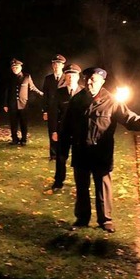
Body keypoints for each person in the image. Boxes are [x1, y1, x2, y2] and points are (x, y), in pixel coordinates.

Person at [59, 67, 140, 233]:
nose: (89, 83)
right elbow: (67, 127)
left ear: (102, 82)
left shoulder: (111, 101)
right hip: (81, 151)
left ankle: (105, 220)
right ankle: (82, 218)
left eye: (93, 80)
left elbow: (131, 120)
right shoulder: (77, 100)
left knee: (103, 187)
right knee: (82, 187)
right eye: (87, 79)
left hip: (101, 153)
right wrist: (63, 150)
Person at [51, 63, 83, 191]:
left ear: (78, 77)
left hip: (78, 132)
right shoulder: (59, 93)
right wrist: (54, 130)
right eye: (68, 76)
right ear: (65, 77)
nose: (70, 79)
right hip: (63, 131)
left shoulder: (83, 92)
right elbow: (54, 113)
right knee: (60, 158)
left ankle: (80, 183)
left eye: (73, 76)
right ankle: (58, 182)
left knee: (79, 159)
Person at [3, 58, 43, 146]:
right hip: (12, 104)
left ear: (20, 67)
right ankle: (15, 139)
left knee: (23, 123)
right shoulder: (10, 78)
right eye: (13, 68)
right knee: (13, 123)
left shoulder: (26, 77)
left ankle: (24, 139)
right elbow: (7, 91)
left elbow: (32, 87)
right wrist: (5, 104)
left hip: (23, 104)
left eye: (16, 67)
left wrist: (41, 93)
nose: (15, 69)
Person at [41, 54, 66, 161]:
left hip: (64, 110)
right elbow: (45, 95)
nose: (56, 66)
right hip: (52, 110)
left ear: (63, 65)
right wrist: (45, 111)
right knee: (52, 131)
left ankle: (62, 154)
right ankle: (53, 154)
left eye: (59, 64)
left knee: (64, 132)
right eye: (55, 64)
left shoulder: (67, 78)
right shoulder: (48, 79)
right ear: (52, 66)